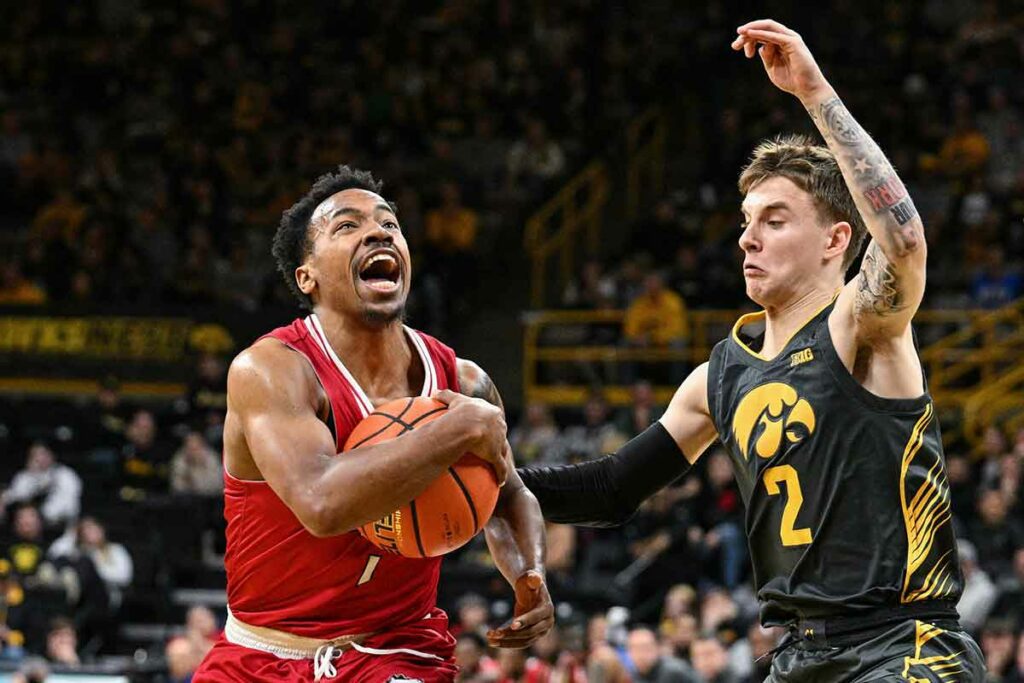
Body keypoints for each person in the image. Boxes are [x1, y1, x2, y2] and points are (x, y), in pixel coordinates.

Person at [518, 19, 986, 680]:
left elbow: (905, 242)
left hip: (902, 644)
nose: (747, 239)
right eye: (745, 222)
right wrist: (487, 483)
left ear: (834, 239)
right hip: (797, 654)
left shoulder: (862, 325)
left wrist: (813, 91)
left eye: (774, 220)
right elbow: (613, 487)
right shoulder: (720, 374)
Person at [195, 167, 552, 682]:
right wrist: (454, 431)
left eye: (390, 223)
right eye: (346, 226)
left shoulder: (463, 381)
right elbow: (321, 503)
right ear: (306, 276)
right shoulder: (273, 370)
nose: (379, 232)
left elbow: (507, 494)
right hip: (262, 656)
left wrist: (529, 571)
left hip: (397, 650)